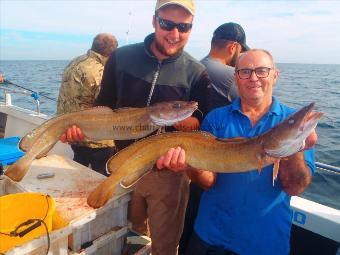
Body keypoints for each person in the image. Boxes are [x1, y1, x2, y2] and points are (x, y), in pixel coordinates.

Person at [60, 1, 213, 254]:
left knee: (164, 245)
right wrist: (80, 130)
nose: (175, 34)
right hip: (121, 165)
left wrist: (181, 121)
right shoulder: (121, 58)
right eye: (167, 24)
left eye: (183, 27)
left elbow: (201, 123)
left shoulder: (197, 72)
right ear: (154, 21)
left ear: (191, 28)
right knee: (126, 234)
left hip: (168, 176)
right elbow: (103, 107)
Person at [157, 49, 317, 255]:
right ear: (236, 78)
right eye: (245, 72)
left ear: (275, 75)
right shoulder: (216, 118)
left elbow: (294, 187)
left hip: (266, 245)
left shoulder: (289, 119)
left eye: (262, 71)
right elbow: (209, 182)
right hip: (210, 239)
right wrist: (190, 166)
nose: (253, 78)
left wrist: (297, 145)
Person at [179, 22, 249, 254]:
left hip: (189, 155)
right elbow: (253, 109)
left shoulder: (193, 67)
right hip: (215, 160)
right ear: (233, 47)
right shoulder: (231, 77)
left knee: (189, 220)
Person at [57, 33, 118, 176]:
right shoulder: (101, 71)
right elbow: (107, 106)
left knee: (78, 170)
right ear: (113, 52)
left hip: (70, 132)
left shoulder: (74, 62)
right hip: (97, 140)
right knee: (102, 177)